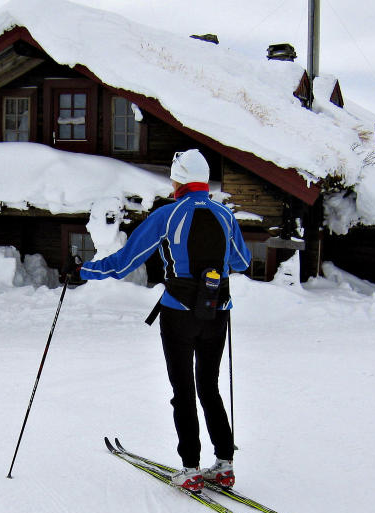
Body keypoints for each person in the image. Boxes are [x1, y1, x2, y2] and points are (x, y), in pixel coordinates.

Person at [78, 149, 251, 492]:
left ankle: (190, 468)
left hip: (178, 314)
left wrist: (84, 269)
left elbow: (125, 262)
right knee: (210, 387)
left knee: (183, 391)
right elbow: (242, 261)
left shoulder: (168, 215)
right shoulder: (225, 216)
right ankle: (225, 465)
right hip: (217, 312)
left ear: (180, 179)